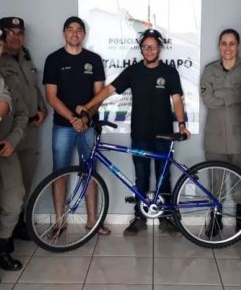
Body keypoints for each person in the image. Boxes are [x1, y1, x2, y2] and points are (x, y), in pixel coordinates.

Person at [76, 28, 191, 235]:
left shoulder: (169, 72)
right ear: (141, 49)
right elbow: (109, 90)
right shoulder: (133, 71)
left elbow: (177, 100)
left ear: (160, 48)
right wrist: (87, 105)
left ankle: (166, 218)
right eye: (145, 47)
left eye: (153, 46)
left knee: (164, 177)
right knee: (141, 177)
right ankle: (140, 216)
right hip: (140, 134)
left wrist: (182, 124)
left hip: (164, 134)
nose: (149, 50)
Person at [43, 16, 110, 235]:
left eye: (79, 30)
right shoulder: (53, 59)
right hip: (63, 126)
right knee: (59, 173)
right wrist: (73, 118)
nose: (74, 33)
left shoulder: (94, 59)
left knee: (89, 172)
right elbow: (51, 97)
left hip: (88, 126)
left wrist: (85, 118)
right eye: (70, 29)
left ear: (84, 34)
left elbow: (98, 96)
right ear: (64, 33)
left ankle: (92, 221)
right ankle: (60, 221)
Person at [200, 28, 241, 239]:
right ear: (219, 45)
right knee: (216, 180)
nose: (228, 48)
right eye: (224, 43)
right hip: (215, 135)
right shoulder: (209, 70)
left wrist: (222, 94)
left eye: (232, 43)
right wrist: (234, 95)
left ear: (238, 46)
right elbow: (208, 99)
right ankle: (216, 219)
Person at [0, 17, 47, 241]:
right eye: (11, 32)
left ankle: (17, 226)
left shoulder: (25, 56)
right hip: (7, 134)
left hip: (29, 129)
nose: (16, 37)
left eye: (20, 33)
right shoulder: (0, 60)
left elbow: (33, 87)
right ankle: (4, 239)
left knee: (25, 183)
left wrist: (42, 108)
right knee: (10, 189)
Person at [0, 27, 28, 271]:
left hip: (5, 146)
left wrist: (11, 140)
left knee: (14, 197)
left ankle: (3, 246)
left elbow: (20, 112)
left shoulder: (10, 71)